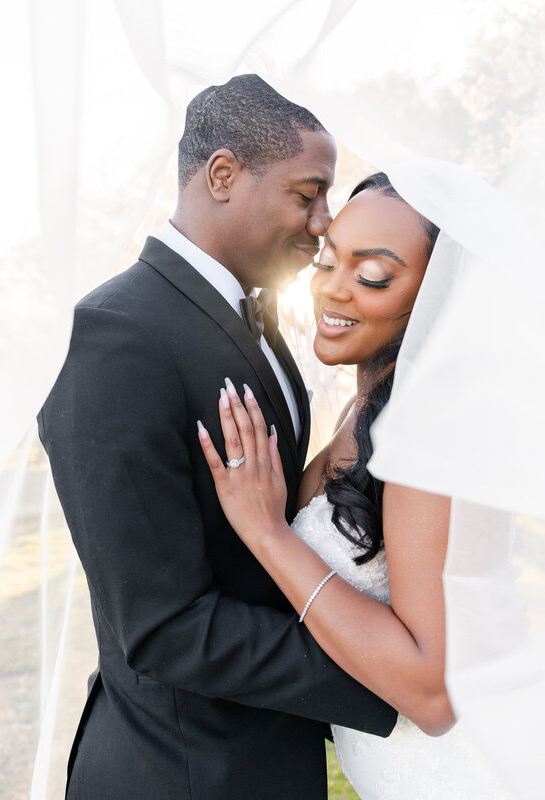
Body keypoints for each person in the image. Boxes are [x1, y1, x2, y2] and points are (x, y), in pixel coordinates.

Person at [197, 173, 545, 798]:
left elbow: (434, 693)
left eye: (372, 276)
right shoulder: (368, 404)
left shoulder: (430, 430)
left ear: (438, 298)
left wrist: (266, 533)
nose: (333, 290)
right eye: (329, 260)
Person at [38, 75, 397, 799]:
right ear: (224, 175)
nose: (325, 221)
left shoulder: (254, 317)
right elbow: (164, 626)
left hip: (264, 757)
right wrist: (386, 676)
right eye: (307, 193)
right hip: (181, 769)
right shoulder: (118, 339)